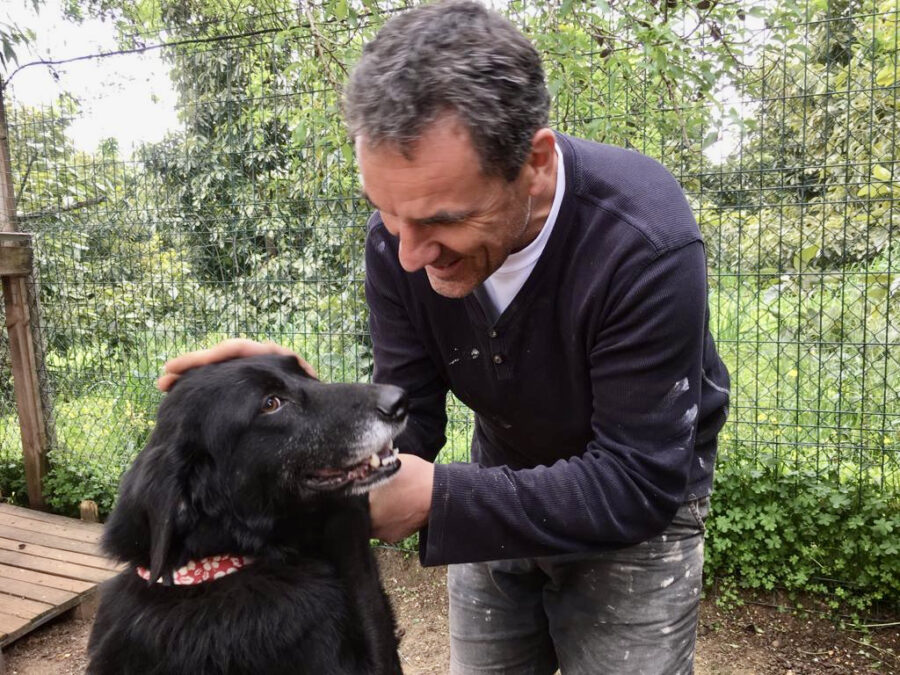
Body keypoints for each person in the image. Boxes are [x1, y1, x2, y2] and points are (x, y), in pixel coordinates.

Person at [160, 1, 731, 673]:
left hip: (633, 515)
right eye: (386, 212)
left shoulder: (642, 240)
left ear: (535, 162)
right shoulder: (401, 240)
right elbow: (413, 417)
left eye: (442, 220)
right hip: (499, 476)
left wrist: (442, 496)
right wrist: (286, 392)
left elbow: (638, 479)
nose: (409, 254)